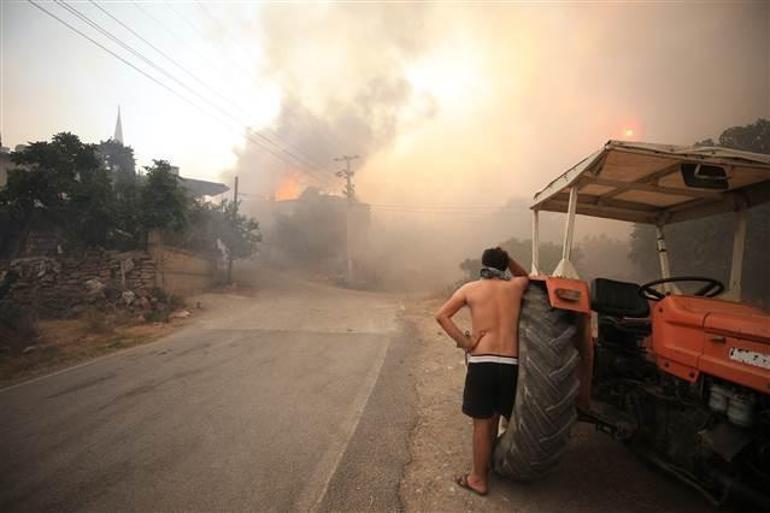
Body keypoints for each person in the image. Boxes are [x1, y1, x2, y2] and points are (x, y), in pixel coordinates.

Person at [435, 246, 529, 496]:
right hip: (509, 363)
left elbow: (442, 315)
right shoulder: (516, 287)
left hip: (483, 362)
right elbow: (526, 275)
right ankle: (486, 466)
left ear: (483, 265)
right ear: (504, 265)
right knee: (496, 416)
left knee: (481, 423)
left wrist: (465, 342)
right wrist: (510, 260)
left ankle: (477, 478)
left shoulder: (471, 289)